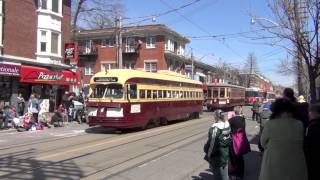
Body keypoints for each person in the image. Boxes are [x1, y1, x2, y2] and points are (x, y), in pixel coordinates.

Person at [259, 98, 308, 180]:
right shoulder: (299, 124)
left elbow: (263, 143)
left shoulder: (270, 124)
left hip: (273, 164)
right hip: (296, 164)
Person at [204, 109, 231, 180]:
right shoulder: (227, 125)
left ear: (216, 117)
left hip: (217, 157)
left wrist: (208, 155)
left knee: (217, 176)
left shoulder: (215, 128)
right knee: (225, 176)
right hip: (225, 153)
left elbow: (212, 144)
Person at [228, 106, 246, 180]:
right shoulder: (243, 119)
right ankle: (241, 174)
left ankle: (234, 173)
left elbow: (228, 129)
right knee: (240, 158)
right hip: (241, 140)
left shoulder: (231, 120)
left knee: (233, 156)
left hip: (233, 140)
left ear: (234, 112)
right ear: (240, 111)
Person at [304, 103, 320, 180]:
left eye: (310, 112)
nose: (309, 115)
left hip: (313, 161)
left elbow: (308, 145)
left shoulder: (313, 126)